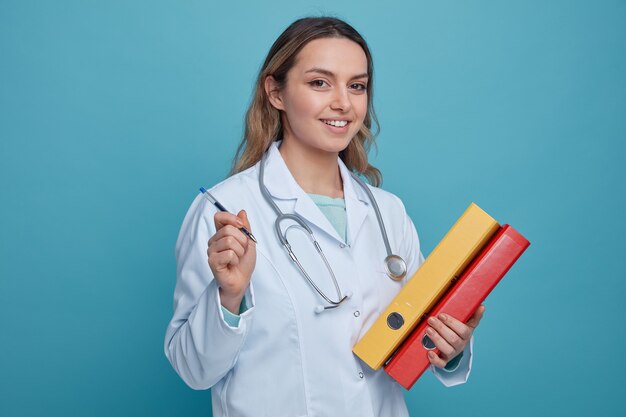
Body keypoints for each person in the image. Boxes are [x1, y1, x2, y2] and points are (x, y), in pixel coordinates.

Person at [164, 16, 485, 417]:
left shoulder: (388, 212)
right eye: (320, 83)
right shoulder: (225, 211)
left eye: (357, 85)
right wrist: (228, 298)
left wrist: (449, 347)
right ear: (275, 92)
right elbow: (194, 370)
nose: (343, 103)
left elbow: (413, 343)